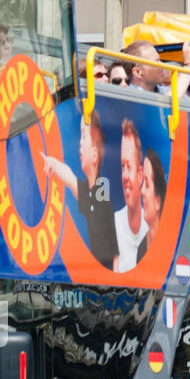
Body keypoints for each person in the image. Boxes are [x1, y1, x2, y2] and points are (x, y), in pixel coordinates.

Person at [42, 107, 117, 268]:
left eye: (84, 136)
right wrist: (53, 163)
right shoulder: (90, 193)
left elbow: (116, 258)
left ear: (95, 156)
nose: (80, 142)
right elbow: (70, 178)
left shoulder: (101, 200)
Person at [114, 118, 148, 273]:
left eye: (129, 166)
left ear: (140, 175)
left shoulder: (152, 228)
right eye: (122, 167)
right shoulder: (114, 224)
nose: (125, 175)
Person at [136, 149, 166, 263]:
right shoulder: (141, 249)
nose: (142, 191)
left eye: (147, 184)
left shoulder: (170, 247)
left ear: (158, 201)